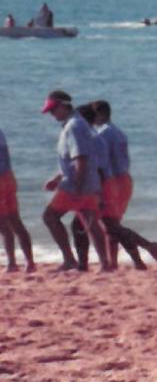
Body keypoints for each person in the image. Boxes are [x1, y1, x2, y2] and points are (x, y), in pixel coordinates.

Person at [84, 101, 157, 270]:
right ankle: (116, 262)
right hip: (124, 178)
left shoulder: (102, 134)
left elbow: (102, 163)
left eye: (93, 115)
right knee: (112, 226)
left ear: (102, 114)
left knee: (110, 225)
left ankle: (146, 246)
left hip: (113, 180)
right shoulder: (118, 132)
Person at [41, 90, 110, 272]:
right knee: (91, 222)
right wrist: (57, 178)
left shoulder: (74, 126)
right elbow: (73, 158)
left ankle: (69, 259)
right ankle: (105, 264)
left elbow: (80, 158)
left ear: (64, 105)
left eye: (54, 109)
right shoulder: (80, 124)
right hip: (89, 182)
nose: (52, 114)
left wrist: (77, 186)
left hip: (75, 184)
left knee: (50, 217)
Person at [0, 124, 37, 272]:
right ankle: (29, 261)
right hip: (8, 177)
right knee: (15, 221)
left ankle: (12, 262)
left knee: (4, 224)